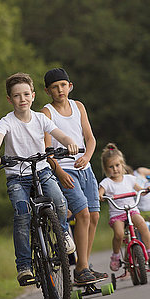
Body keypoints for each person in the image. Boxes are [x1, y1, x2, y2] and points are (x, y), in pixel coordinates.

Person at [0, 72, 77, 286]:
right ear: (10, 99)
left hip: (42, 171)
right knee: (22, 214)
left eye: (26, 94)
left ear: (33, 96)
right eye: (17, 96)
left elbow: (60, 134)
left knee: (60, 201)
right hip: (17, 176)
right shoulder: (6, 122)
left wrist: (69, 143)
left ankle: (62, 233)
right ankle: (24, 266)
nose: (22, 99)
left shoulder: (40, 118)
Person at [41, 67, 106, 286]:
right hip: (65, 170)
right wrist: (58, 171)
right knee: (83, 214)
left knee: (94, 216)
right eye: (54, 87)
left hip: (84, 167)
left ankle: (83, 267)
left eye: (63, 85)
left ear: (70, 86)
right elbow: (47, 150)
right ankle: (82, 267)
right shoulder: (47, 112)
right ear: (48, 91)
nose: (60, 90)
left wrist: (87, 157)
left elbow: (90, 138)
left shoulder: (78, 106)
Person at [98, 143, 150, 271]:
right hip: (117, 214)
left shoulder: (130, 179)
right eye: (111, 166)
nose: (115, 169)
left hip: (132, 210)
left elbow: (140, 189)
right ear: (105, 168)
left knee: (142, 224)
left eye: (117, 165)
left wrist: (147, 189)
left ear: (122, 165)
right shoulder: (106, 183)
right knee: (119, 234)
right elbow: (100, 193)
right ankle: (115, 256)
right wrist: (100, 196)